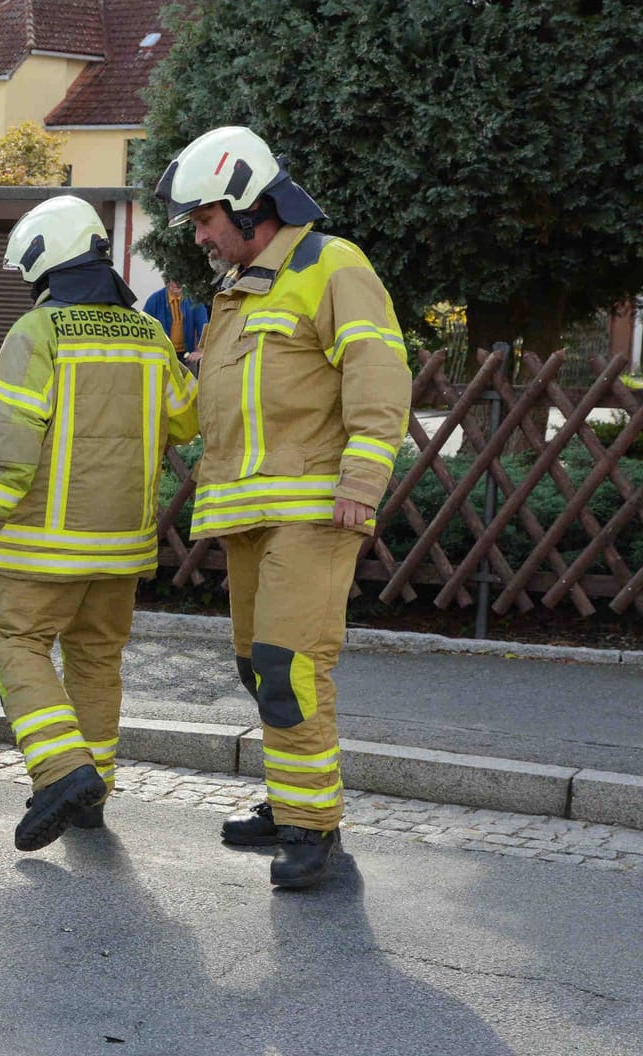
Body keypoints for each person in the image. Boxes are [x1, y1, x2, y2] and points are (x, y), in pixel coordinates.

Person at [154, 125, 411, 890]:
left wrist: (362, 483)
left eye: (204, 219)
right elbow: (208, 408)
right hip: (244, 516)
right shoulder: (234, 293)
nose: (199, 236)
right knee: (255, 668)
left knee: (289, 668)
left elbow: (379, 374)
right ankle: (287, 796)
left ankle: (312, 827)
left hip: (313, 512)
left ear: (246, 204)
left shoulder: (331, 266)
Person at [0, 195, 198, 852]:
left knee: (14, 644)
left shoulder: (37, 334)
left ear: (47, 263)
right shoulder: (149, 334)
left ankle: (62, 773)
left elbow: (11, 446)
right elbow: (185, 418)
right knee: (95, 659)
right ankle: (93, 793)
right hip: (123, 543)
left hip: (45, 544)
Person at [142, 279, 209, 364]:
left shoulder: (194, 299)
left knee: (192, 374)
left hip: (187, 356)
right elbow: (144, 327)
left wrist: (200, 352)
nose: (177, 282)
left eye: (180, 278)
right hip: (162, 355)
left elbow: (204, 328)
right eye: (173, 279)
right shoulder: (154, 300)